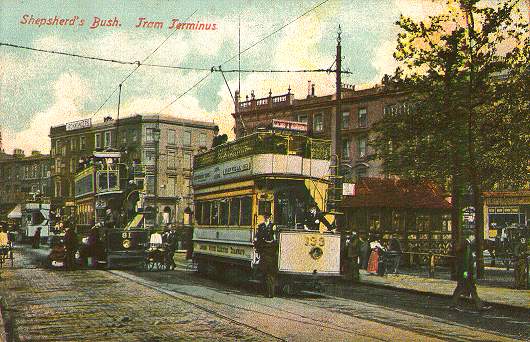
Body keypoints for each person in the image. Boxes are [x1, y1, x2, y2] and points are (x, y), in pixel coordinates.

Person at [450, 235, 491, 311]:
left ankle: (479, 306)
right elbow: (466, 262)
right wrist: (465, 273)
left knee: (469, 289)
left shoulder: (468, 246)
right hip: (466, 273)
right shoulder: (467, 246)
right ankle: (453, 305)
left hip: (467, 273)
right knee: (462, 288)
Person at [255, 212, 277, 298]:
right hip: (263, 248)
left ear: (270, 218)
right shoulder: (261, 226)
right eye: (266, 217)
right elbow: (258, 236)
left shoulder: (273, 226)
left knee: (269, 273)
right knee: (265, 273)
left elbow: (274, 236)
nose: (267, 218)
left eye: (268, 217)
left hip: (270, 249)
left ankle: (270, 293)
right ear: (264, 218)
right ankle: (267, 292)